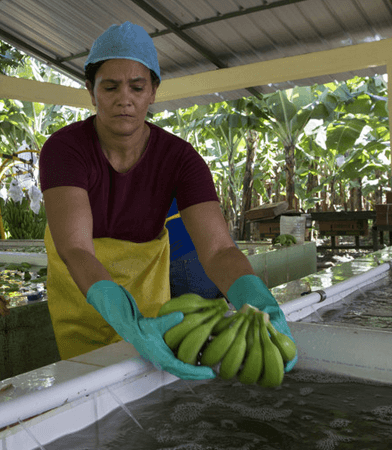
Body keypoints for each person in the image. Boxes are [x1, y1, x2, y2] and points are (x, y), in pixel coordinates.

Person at [39, 22, 297, 380]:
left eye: (137, 86)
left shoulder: (180, 160)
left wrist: (257, 300)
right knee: (89, 389)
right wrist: (123, 316)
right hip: (82, 295)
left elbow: (219, 250)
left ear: (153, 92)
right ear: (91, 91)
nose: (124, 98)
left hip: (151, 299)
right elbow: (77, 249)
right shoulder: (65, 150)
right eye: (110, 86)